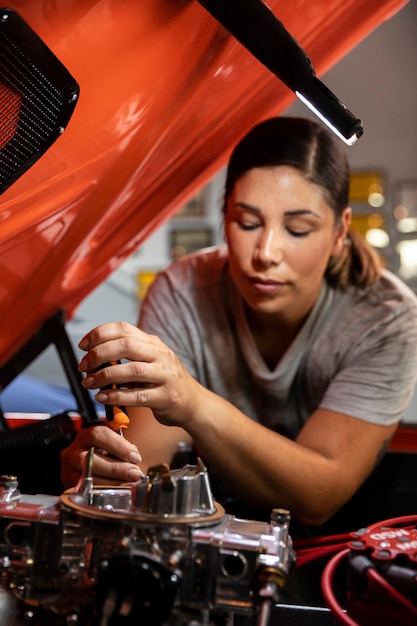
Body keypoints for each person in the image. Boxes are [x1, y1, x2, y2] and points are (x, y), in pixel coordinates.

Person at [61, 116, 417, 528]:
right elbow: (141, 472)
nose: (265, 252)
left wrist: (192, 403)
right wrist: (103, 478)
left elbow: (318, 496)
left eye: (298, 229)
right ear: (225, 216)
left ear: (340, 232)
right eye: (247, 223)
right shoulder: (182, 291)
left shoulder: (386, 318)